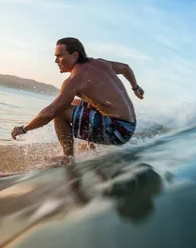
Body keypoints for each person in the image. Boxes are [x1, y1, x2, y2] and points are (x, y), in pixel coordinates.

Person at [11, 37, 144, 161]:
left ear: (75, 55)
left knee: (61, 111)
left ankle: (67, 158)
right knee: (76, 103)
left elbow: (50, 113)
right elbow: (126, 68)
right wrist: (135, 88)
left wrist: (24, 128)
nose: (56, 61)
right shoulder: (100, 63)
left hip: (118, 131)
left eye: (59, 56)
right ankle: (91, 146)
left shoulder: (74, 80)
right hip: (128, 125)